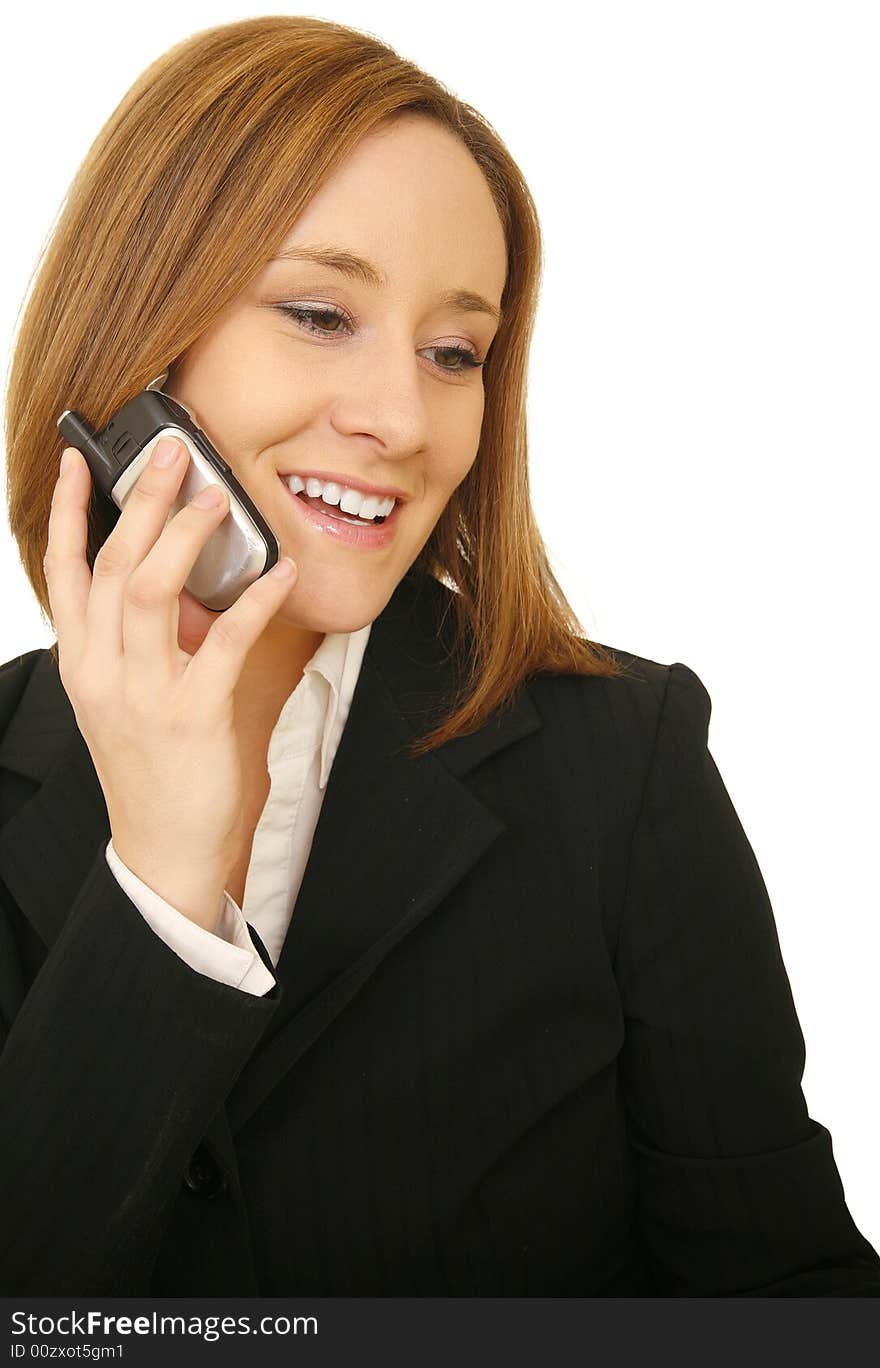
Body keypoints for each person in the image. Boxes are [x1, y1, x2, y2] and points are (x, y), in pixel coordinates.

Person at [1, 15, 878, 1299]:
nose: (403, 421)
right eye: (318, 313)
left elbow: (792, 1302)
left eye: (454, 352)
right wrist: (164, 880)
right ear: (144, 343)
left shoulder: (618, 765)